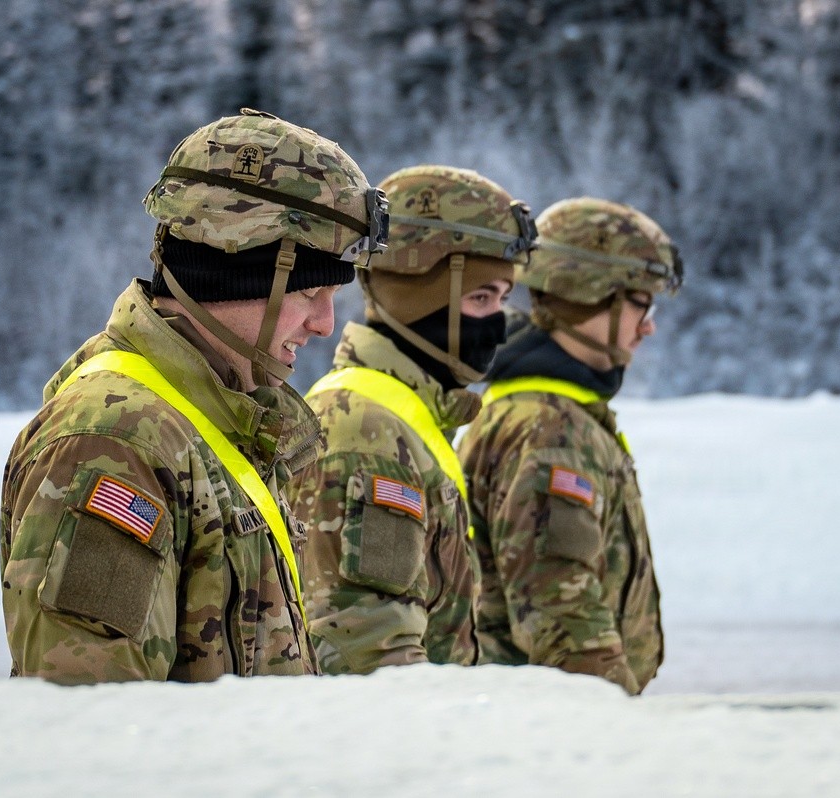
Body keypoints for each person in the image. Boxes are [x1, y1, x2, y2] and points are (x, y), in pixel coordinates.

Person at [0, 109, 388, 684]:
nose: (326, 324)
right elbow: (92, 717)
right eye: (311, 292)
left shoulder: (217, 420)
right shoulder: (116, 441)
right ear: (242, 272)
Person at [287, 165, 536, 674]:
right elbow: (371, 661)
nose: (499, 325)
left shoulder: (406, 417)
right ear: (419, 295)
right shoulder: (364, 430)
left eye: (503, 299)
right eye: (480, 298)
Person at [457, 197, 684, 694]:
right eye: (640, 303)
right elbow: (563, 619)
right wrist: (613, 720)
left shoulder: (553, 414)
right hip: (554, 720)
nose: (648, 326)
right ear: (589, 293)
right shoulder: (548, 432)